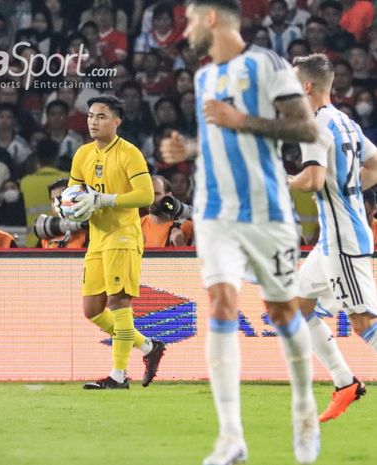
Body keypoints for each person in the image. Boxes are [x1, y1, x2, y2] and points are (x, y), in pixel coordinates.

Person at [160, 1, 320, 463]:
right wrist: (185, 149)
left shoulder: (266, 62)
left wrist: (241, 120)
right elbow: (217, 141)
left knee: (282, 310)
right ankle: (231, 438)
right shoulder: (203, 77)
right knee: (221, 301)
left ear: (212, 18)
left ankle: (305, 407)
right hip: (214, 212)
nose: (184, 29)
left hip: (267, 211)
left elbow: (306, 130)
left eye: (190, 19)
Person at [290, 53, 377, 423]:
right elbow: (374, 165)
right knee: (296, 305)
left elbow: (311, 179)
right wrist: (345, 188)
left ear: (307, 87)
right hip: (335, 238)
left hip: (344, 239)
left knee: (363, 320)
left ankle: (345, 382)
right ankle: (345, 383)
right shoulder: (346, 122)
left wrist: (279, 183)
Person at [56, 95, 164, 390]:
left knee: (118, 302)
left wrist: (105, 199)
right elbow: (72, 190)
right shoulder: (82, 154)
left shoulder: (130, 153)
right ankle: (148, 347)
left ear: (117, 121)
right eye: (91, 116)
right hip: (97, 238)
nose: (94, 121)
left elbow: (145, 195)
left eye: (101, 116)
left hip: (123, 236)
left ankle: (118, 375)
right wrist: (63, 205)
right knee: (92, 310)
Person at [140, 175, 193, 247]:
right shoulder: (138, 225)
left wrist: (180, 246)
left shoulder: (187, 226)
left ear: (168, 196)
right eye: (148, 194)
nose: (151, 199)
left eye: (156, 194)